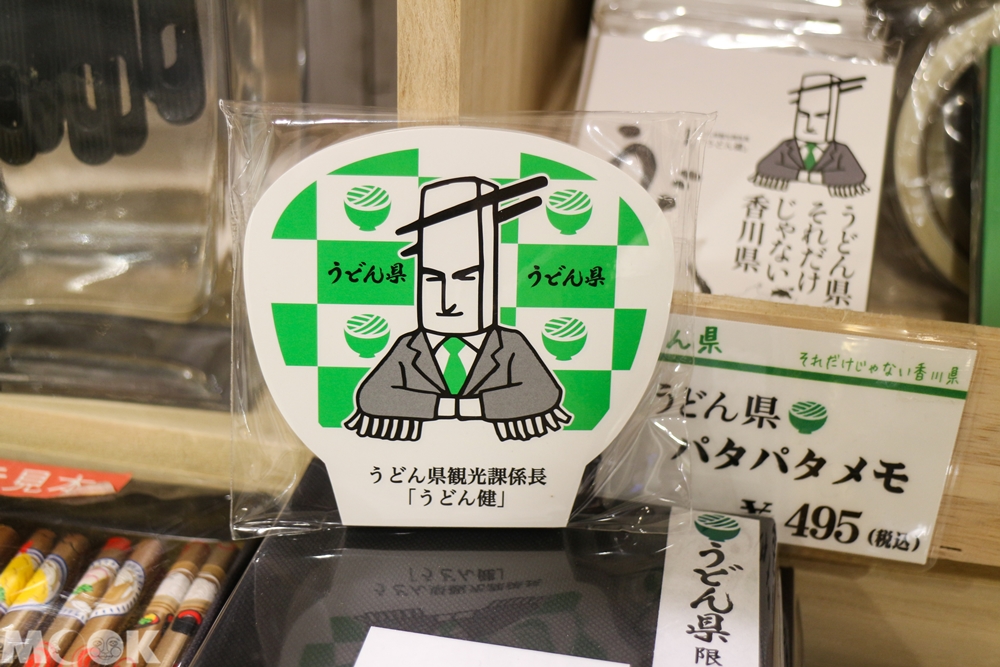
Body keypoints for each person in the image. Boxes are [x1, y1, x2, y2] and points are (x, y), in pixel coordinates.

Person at [344, 175, 571, 442]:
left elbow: (542, 393)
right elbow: (372, 396)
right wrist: (465, 407)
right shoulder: (410, 345)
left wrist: (446, 407)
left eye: (467, 279)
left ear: (490, 282)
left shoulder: (508, 344)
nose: (447, 301)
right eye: (432, 279)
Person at [752, 73, 869, 198]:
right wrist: (804, 176)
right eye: (804, 115)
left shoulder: (840, 150)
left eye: (821, 117)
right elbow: (764, 166)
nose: (810, 126)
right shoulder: (787, 146)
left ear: (833, 118)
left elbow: (856, 175)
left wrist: (808, 177)